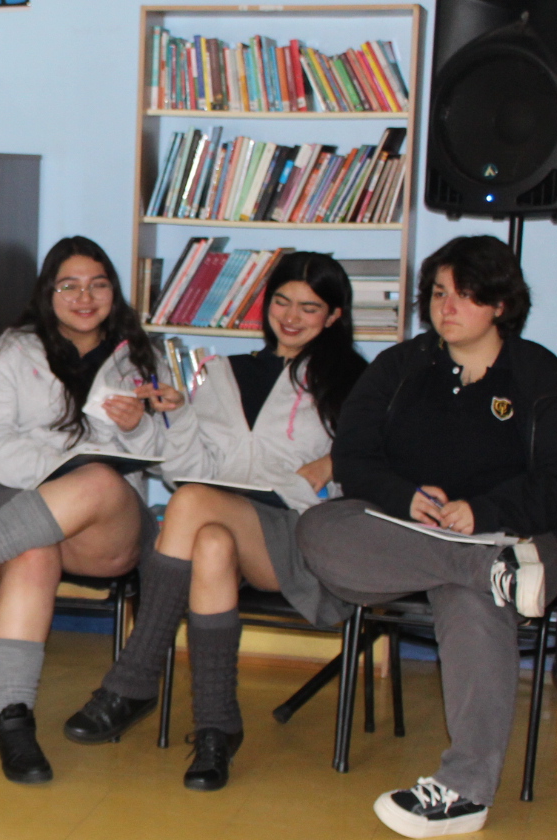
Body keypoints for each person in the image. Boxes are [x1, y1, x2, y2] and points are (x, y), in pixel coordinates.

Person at [296, 235, 557, 838]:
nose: (446, 306)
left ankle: (465, 792)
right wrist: (404, 496)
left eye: (464, 294)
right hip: (415, 538)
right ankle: (486, 570)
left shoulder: (541, 376)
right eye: (437, 293)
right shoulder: (399, 368)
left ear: (501, 305)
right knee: (319, 527)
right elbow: (353, 456)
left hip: (523, 541)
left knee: (474, 598)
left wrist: (483, 511)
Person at [66, 252, 368, 791]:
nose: (291, 317)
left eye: (309, 308)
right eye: (281, 302)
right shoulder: (219, 373)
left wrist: (337, 461)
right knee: (206, 540)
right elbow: (189, 473)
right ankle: (216, 728)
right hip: (225, 522)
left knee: (191, 508)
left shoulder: (352, 382)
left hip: (302, 534)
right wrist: (178, 415)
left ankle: (134, 678)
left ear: (334, 316)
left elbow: (377, 465)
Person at [0, 237, 172, 783]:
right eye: (69, 286)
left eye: (97, 284)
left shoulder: (144, 356)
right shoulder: (16, 350)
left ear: (114, 291)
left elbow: (171, 458)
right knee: (32, 550)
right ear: (48, 293)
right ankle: (13, 720)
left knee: (98, 479)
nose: (84, 297)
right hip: (11, 499)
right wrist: (61, 470)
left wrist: (139, 428)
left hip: (105, 524)